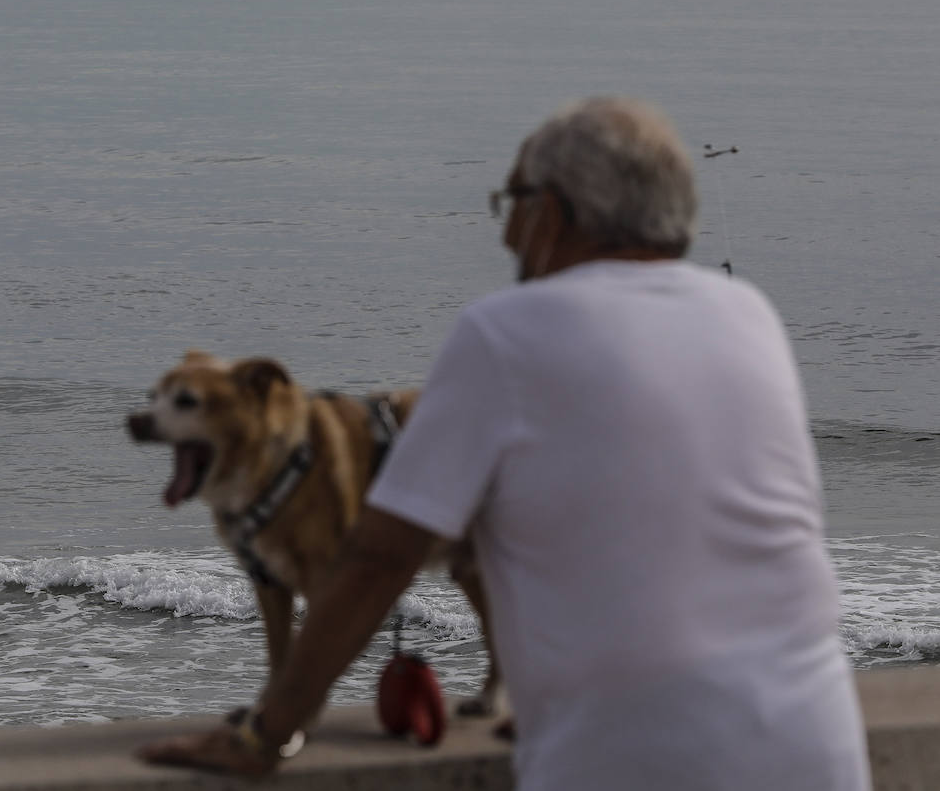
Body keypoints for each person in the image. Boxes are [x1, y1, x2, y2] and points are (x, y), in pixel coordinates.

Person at [138, 97, 871, 790]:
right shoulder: (748, 316)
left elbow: (376, 561)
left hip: (635, 760)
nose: (505, 233)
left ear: (552, 212)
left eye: (512, 203)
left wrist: (265, 735)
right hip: (815, 743)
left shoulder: (509, 332)